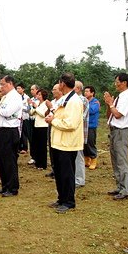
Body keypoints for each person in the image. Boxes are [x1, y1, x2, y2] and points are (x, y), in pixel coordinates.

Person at [45, 73, 83, 213]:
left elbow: (71, 124)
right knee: (59, 173)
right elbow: (58, 114)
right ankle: (61, 198)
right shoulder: (65, 99)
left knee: (67, 173)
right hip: (58, 142)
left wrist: (52, 121)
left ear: (62, 84)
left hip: (67, 144)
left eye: (59, 83)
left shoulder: (74, 101)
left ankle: (69, 201)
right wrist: (52, 116)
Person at [104, 73, 128, 200]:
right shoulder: (119, 97)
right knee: (115, 160)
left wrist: (111, 104)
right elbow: (109, 115)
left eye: (117, 81)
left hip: (121, 131)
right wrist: (108, 104)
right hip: (114, 130)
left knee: (122, 160)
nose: (115, 84)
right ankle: (120, 186)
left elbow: (118, 115)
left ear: (124, 83)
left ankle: (125, 190)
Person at [0, 75, 23, 197]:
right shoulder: (5, 97)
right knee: (1, 160)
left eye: (3, 84)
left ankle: (12, 187)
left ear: (10, 84)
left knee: (9, 161)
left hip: (10, 130)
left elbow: (7, 112)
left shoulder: (15, 97)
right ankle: (5, 185)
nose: (0, 87)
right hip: (1, 130)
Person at [44, 83, 63, 179]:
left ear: (60, 90)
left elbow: (58, 114)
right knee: (51, 148)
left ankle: (59, 170)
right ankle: (54, 168)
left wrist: (51, 107)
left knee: (57, 149)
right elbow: (46, 113)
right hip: (50, 126)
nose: (53, 91)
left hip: (58, 127)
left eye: (54, 89)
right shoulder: (53, 101)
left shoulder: (62, 102)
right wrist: (48, 108)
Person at [74, 81, 89, 188]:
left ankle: (80, 180)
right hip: (73, 133)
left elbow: (80, 117)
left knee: (79, 156)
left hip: (79, 132)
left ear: (78, 89)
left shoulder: (82, 100)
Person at [31, 89, 49, 169]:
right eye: (37, 95)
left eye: (39, 95)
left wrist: (36, 108)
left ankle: (43, 164)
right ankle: (37, 162)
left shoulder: (46, 104)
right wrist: (33, 107)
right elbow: (31, 113)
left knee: (42, 146)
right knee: (36, 145)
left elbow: (43, 114)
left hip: (43, 126)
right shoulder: (38, 103)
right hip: (36, 126)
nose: (38, 96)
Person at [83, 85, 100, 170]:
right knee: (84, 143)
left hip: (91, 126)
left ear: (92, 93)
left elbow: (92, 110)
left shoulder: (95, 102)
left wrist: (84, 107)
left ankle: (93, 159)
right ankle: (86, 159)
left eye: (87, 91)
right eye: (85, 91)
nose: (85, 93)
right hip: (84, 125)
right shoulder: (85, 101)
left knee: (90, 143)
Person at [27, 84, 40, 165]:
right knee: (31, 138)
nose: (31, 91)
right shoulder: (31, 99)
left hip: (37, 120)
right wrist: (29, 104)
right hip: (30, 120)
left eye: (33, 89)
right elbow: (29, 111)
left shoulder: (40, 100)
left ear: (37, 90)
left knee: (37, 139)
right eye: (31, 89)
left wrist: (34, 106)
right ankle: (33, 156)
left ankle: (37, 156)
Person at [16, 83, 30, 154]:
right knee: (18, 132)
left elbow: (28, 108)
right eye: (17, 88)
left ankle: (24, 148)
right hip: (18, 118)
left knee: (24, 133)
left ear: (23, 89)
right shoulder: (16, 97)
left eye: (19, 88)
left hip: (24, 117)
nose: (17, 90)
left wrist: (21, 107)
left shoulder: (26, 98)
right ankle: (18, 147)